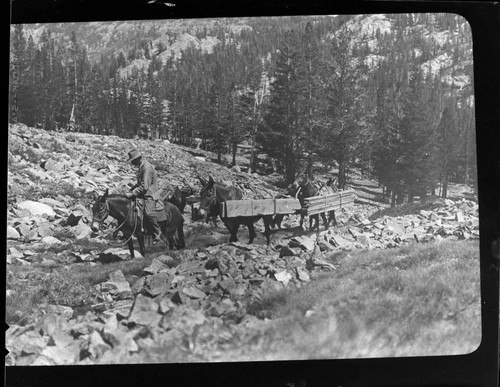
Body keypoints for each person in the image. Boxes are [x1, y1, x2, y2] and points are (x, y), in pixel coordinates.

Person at [125, 149, 162, 245]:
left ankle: (157, 232)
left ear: (137, 159)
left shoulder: (147, 167)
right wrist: (132, 189)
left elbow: (145, 186)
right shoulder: (141, 167)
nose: (132, 163)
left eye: (132, 161)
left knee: (148, 213)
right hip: (143, 193)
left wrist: (133, 193)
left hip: (150, 194)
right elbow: (139, 183)